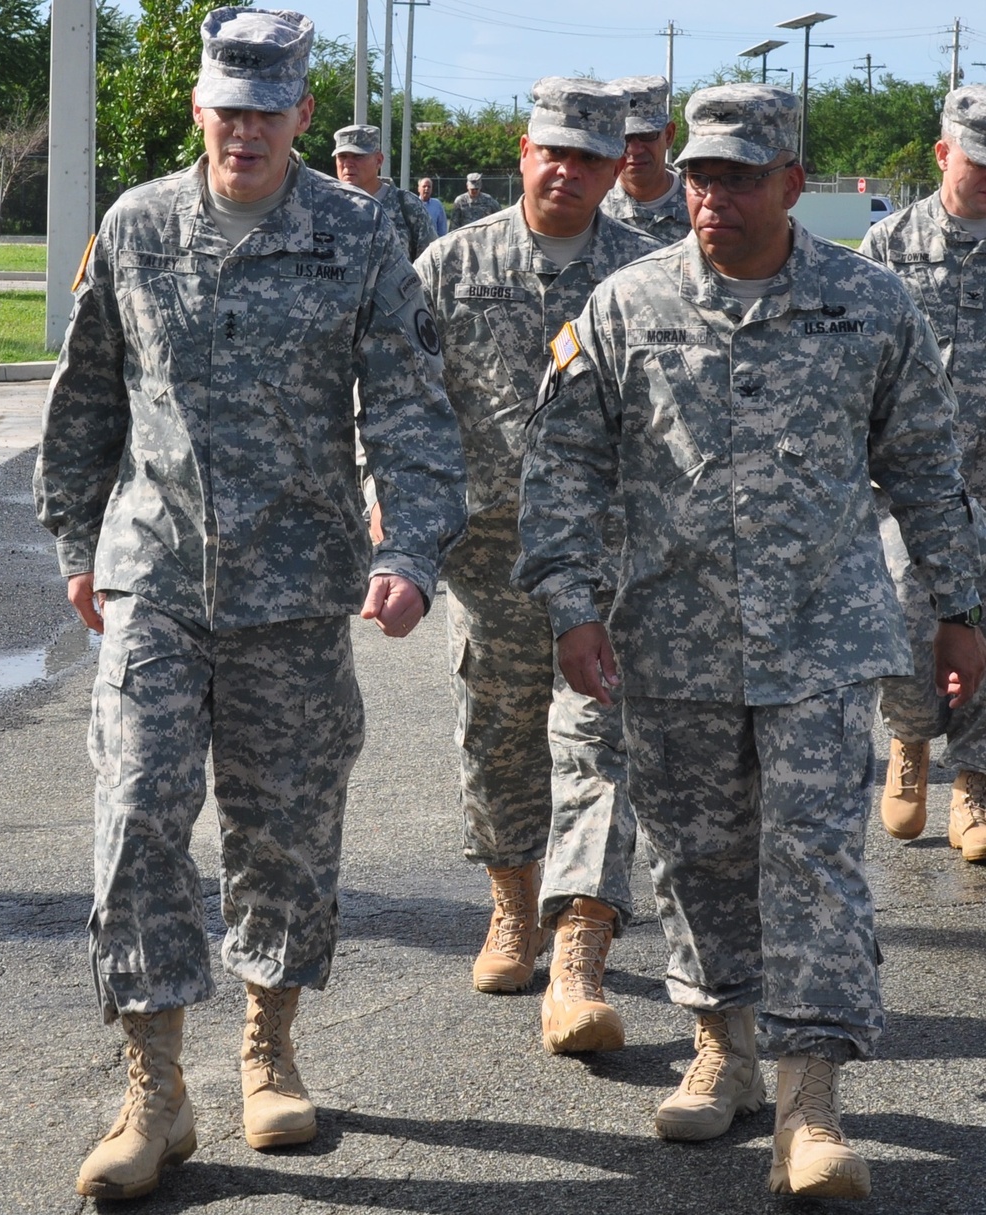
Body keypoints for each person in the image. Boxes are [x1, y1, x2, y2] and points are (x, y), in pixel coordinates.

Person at [514, 84, 986, 1200]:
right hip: (667, 645)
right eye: (697, 175)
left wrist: (960, 609)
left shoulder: (870, 306)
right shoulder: (626, 306)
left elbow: (925, 463)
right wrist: (571, 608)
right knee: (697, 860)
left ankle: (809, 1105)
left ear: (791, 184)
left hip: (824, 641)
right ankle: (720, 1046)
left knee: (816, 864)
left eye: (735, 175)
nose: (710, 195)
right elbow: (564, 467)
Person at [34, 7, 466, 1201]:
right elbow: (87, 398)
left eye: (267, 110)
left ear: (301, 117)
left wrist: (413, 548)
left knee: (282, 835)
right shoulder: (136, 227)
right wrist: (79, 537)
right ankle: (154, 1086)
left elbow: (412, 410)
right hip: (155, 580)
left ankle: (268, 1049)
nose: (245, 129)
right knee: (136, 814)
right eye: (228, 107)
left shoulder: (357, 235)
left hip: (295, 586)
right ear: (198, 109)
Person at [415, 77, 657, 1055]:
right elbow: (397, 400)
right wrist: (394, 513)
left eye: (588, 157)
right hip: (487, 566)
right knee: (497, 741)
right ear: (523, 153)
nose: (566, 170)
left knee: (600, 744)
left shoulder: (648, 277)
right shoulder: (448, 266)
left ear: (613, 169)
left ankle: (581, 955)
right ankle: (513, 907)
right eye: (550, 151)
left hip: (606, 569)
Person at [860, 85, 986, 862]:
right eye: (979, 162)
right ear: (944, 153)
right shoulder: (890, 248)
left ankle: (974, 777)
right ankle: (909, 735)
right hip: (909, 486)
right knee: (910, 614)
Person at [600, 75, 690, 246]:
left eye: (647, 135)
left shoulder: (704, 207)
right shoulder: (592, 209)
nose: (635, 149)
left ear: (669, 135)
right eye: (624, 137)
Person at [332, 124, 436, 261]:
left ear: (379, 160)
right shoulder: (327, 204)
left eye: (358, 156)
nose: (348, 163)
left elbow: (431, 265)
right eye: (342, 156)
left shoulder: (408, 206)